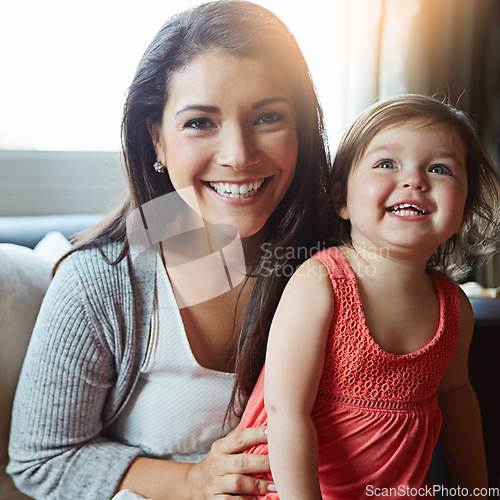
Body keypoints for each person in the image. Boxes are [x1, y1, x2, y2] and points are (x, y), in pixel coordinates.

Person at [7, 1, 331, 499]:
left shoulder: (340, 262)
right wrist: (192, 480)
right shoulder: (103, 281)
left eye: (267, 117)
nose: (239, 155)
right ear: (157, 140)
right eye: (201, 122)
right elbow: (41, 461)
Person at [237, 94, 500, 498]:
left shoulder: (454, 307)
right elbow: (286, 414)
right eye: (386, 164)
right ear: (342, 199)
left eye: (439, 168)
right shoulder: (321, 282)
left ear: (463, 211)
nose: (414, 179)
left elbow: (456, 397)